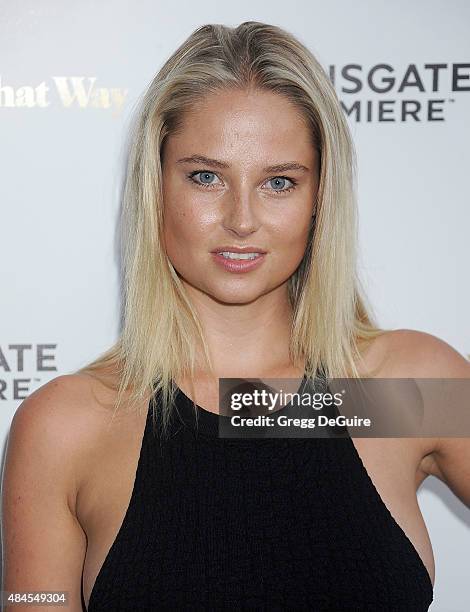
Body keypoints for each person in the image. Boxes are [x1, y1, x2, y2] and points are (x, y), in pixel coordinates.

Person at [2, 21, 470, 612]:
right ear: (157, 187)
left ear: (320, 197)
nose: (241, 219)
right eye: (206, 177)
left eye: (279, 182)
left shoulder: (400, 391)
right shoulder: (72, 425)